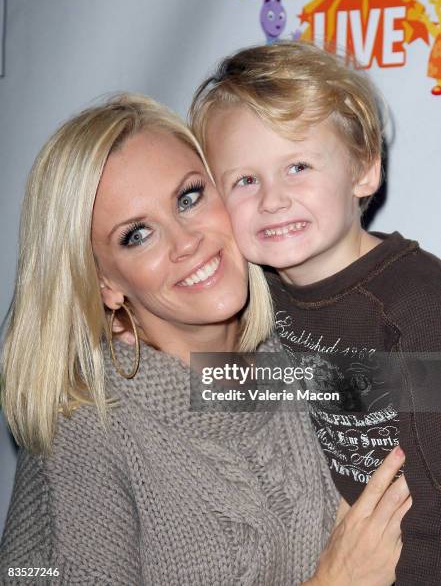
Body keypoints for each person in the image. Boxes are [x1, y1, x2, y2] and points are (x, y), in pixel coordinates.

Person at [0, 94, 409, 585]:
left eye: (188, 198)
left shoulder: (276, 361)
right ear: (105, 285)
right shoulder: (88, 428)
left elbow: (418, 384)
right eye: (137, 235)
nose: (185, 241)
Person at [189, 40, 441, 586]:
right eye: (245, 180)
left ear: (364, 171)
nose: (272, 199)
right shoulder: (251, 298)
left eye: (297, 166)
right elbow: (245, 389)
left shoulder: (420, 310)